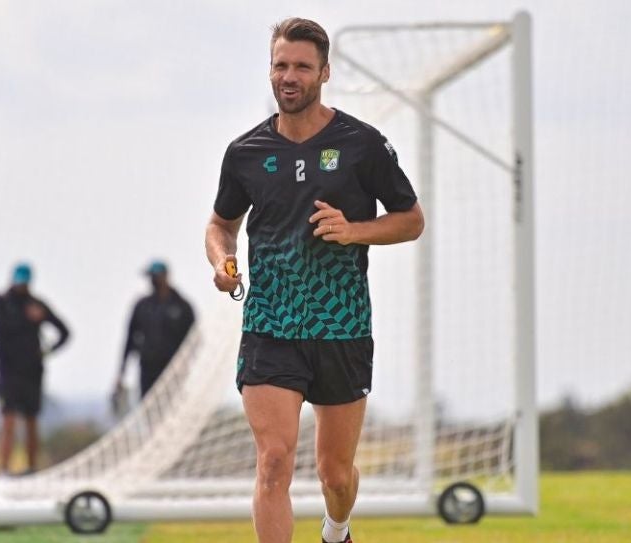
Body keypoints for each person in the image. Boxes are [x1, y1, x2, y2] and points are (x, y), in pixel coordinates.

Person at [204, 17, 424, 543]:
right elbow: (220, 226)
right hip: (271, 323)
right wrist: (222, 261)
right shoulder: (245, 153)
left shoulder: (362, 144)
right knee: (274, 460)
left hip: (341, 324)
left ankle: (337, 529)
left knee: (335, 474)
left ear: (324, 73)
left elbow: (411, 220)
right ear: (270, 71)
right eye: (281, 65)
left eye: (302, 66)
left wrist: (353, 231)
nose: (289, 75)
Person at [0, 262, 69, 476]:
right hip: (8, 372)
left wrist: (47, 351)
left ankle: (31, 468)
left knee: (31, 420)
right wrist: (29, 319)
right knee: (8, 419)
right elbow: (1, 330)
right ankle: (3, 469)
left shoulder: (37, 304)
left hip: (32, 372)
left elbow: (64, 331)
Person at [116, 260, 195, 401]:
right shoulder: (142, 306)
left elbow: (194, 338)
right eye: (151, 277)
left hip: (174, 370)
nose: (153, 281)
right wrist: (122, 371)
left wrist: (187, 364)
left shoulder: (182, 306)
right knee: (149, 407)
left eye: (155, 276)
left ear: (165, 276)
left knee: (173, 406)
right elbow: (129, 339)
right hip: (148, 368)